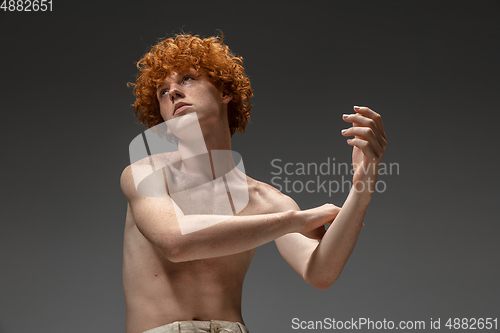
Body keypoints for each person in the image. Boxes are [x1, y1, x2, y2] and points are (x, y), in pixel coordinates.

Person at [120, 33, 387, 333]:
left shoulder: (264, 200)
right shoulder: (146, 172)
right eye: (162, 92)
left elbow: (320, 271)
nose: (173, 93)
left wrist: (361, 189)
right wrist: (293, 220)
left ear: (224, 92)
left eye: (187, 79)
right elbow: (175, 241)